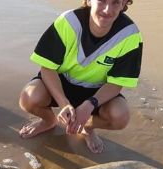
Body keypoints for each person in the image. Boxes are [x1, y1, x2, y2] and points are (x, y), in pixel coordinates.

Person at [18, 0, 142, 153]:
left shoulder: (129, 35)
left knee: (120, 116)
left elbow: (116, 84)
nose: (107, 9)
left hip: (97, 91)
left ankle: (87, 127)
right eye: (102, 1)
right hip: (61, 82)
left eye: (115, 2)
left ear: (124, 4)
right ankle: (49, 121)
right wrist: (64, 103)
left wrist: (90, 105)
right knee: (28, 98)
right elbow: (47, 67)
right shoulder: (68, 22)